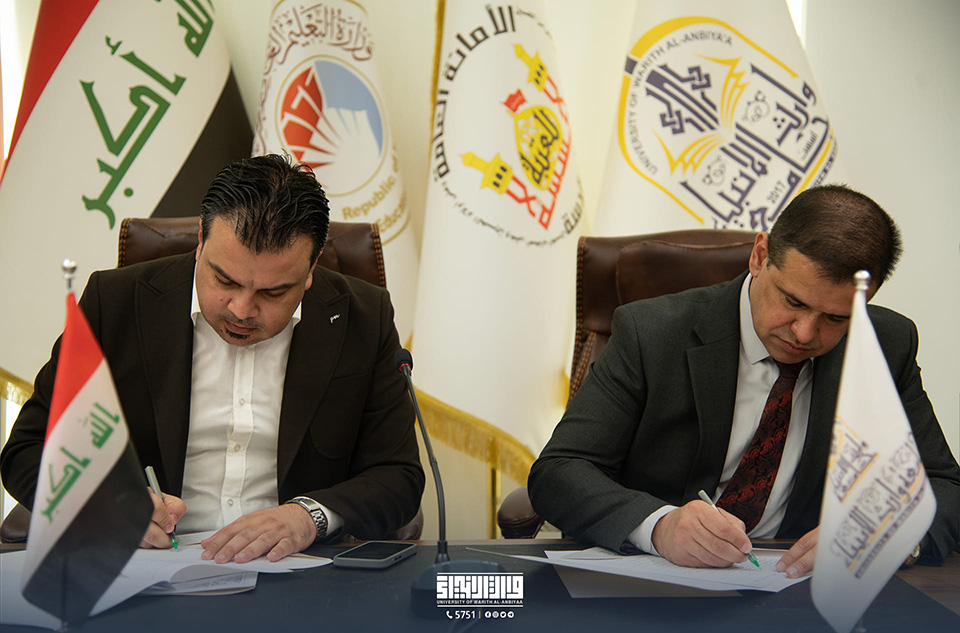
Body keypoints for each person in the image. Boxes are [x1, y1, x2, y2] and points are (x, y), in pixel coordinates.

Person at [1, 154, 424, 563]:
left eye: (273, 292)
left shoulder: (362, 317)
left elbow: (397, 475)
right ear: (201, 241)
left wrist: (308, 517)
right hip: (149, 565)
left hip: (298, 568)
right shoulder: (114, 305)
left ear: (311, 270)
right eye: (225, 280)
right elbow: (28, 452)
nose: (241, 309)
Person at [528, 185, 959, 577]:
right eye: (793, 301)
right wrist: (658, 526)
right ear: (759, 256)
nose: (805, 333)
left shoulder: (885, 345)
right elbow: (559, 471)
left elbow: (945, 486)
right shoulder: (652, 333)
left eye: (835, 318)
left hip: (795, 588)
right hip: (654, 581)